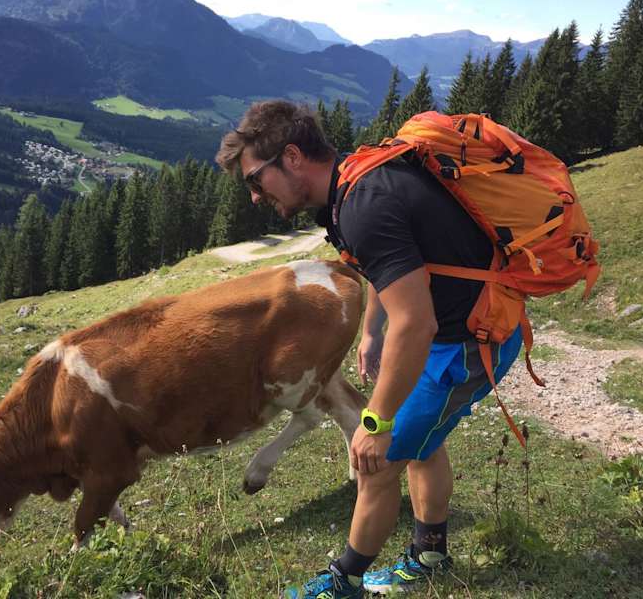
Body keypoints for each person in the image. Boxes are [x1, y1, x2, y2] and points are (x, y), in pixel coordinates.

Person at [215, 100, 523, 598]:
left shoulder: (362, 204)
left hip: (467, 343)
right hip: (451, 335)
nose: (254, 196)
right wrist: (372, 332)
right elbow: (392, 268)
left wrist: (375, 422)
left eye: (256, 180)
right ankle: (430, 556)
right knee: (422, 445)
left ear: (292, 158)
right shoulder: (351, 187)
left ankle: (345, 582)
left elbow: (416, 322)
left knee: (375, 463)